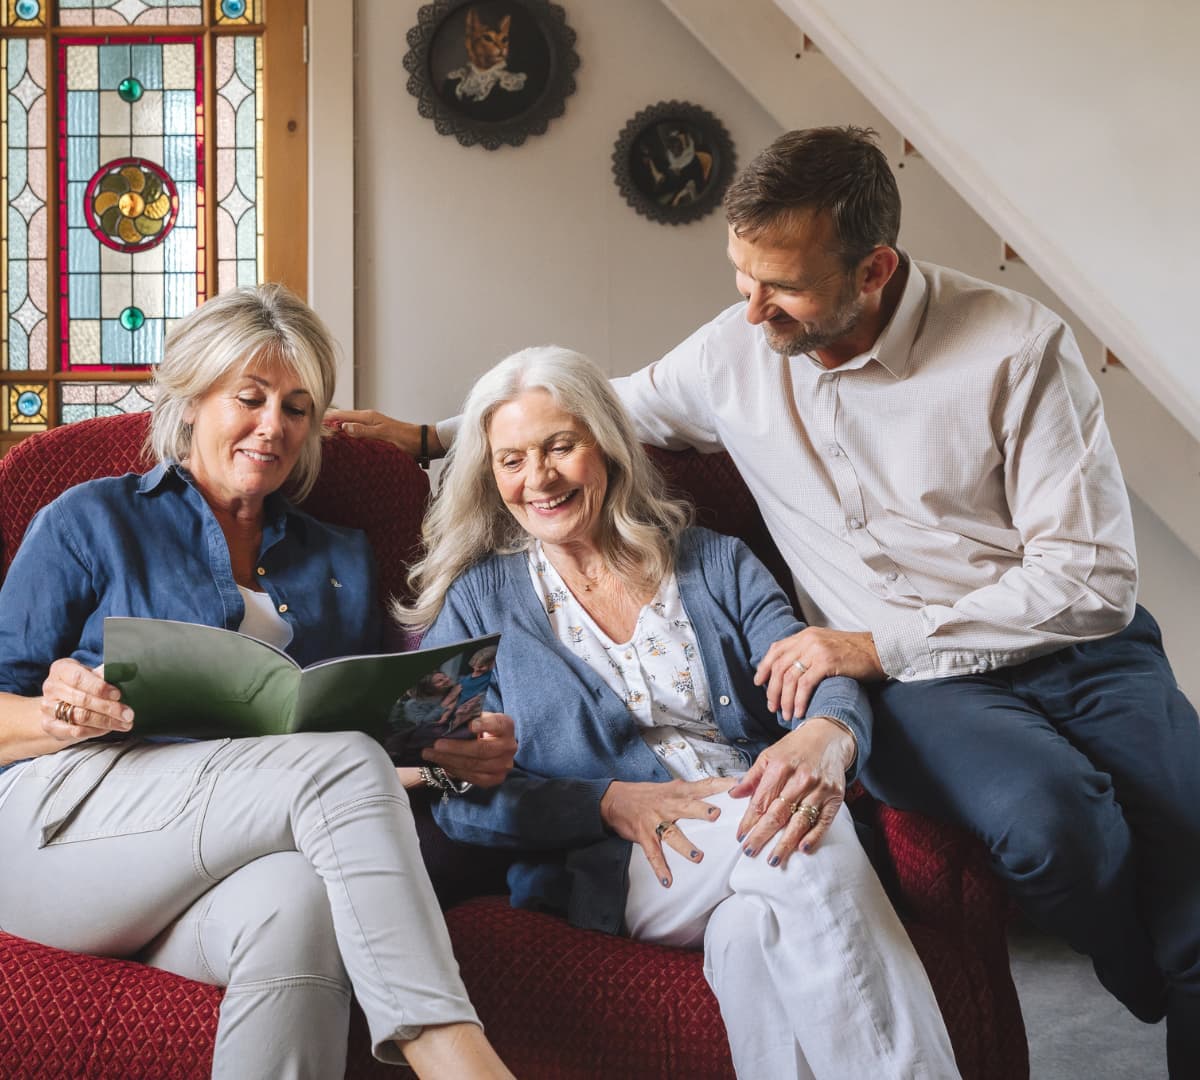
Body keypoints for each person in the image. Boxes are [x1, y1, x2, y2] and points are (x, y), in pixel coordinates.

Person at [328, 127, 1200, 1077]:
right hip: (912, 704)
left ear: (872, 269)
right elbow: (590, 407)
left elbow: (1090, 577)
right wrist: (430, 434)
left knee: (1189, 863)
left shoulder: (1013, 347)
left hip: (1070, 645)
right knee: (1029, 827)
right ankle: (1150, 973)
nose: (749, 311)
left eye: (777, 285)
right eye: (739, 276)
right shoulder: (729, 355)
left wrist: (849, 686)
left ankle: (1180, 975)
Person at [396, 345, 959, 1079]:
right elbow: (449, 792)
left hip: (742, 812)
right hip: (620, 862)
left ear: (606, 444)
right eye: (511, 460)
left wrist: (827, 732)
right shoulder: (476, 601)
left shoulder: (713, 560)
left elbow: (815, 663)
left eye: (560, 446)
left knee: (752, 937)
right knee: (803, 841)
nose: (538, 479)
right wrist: (604, 802)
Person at [0, 285, 518, 1079]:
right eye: (250, 398)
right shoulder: (89, 519)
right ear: (192, 397)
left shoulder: (339, 556)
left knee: (301, 905)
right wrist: (62, 715)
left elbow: (341, 764)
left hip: (229, 864)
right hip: (62, 835)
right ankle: (452, 1054)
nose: (274, 426)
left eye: (298, 408)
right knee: (338, 762)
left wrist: (443, 757)